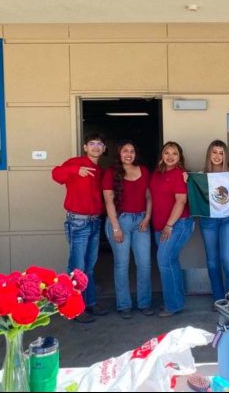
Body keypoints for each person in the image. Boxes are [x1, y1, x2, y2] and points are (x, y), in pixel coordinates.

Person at [52, 133, 109, 323]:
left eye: (99, 144)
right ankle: (74, 309)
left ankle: (90, 302)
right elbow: (56, 174)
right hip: (78, 221)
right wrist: (76, 170)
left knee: (89, 267)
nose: (95, 147)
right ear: (85, 147)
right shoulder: (76, 162)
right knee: (77, 267)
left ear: (104, 148)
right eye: (91, 143)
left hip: (94, 221)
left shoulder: (98, 169)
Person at [102, 141, 154, 319]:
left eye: (132, 151)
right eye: (125, 151)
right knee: (122, 264)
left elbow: (148, 196)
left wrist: (147, 218)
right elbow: (108, 201)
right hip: (119, 220)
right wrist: (115, 227)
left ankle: (145, 303)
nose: (128, 154)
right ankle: (124, 305)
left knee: (144, 263)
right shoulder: (110, 173)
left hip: (141, 220)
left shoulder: (144, 171)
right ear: (119, 153)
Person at [149, 141, 194, 318]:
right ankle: (177, 301)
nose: (170, 157)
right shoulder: (156, 174)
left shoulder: (178, 174)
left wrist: (169, 225)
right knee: (170, 261)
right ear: (162, 155)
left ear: (179, 157)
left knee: (164, 260)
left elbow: (181, 201)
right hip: (159, 225)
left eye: (174, 154)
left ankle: (172, 305)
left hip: (178, 224)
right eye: (167, 153)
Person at [198, 140, 229, 306]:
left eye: (221, 152)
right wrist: (186, 178)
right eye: (214, 152)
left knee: (228, 259)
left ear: (225, 155)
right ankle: (219, 299)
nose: (217, 156)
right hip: (208, 221)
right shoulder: (201, 175)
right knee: (212, 261)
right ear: (209, 154)